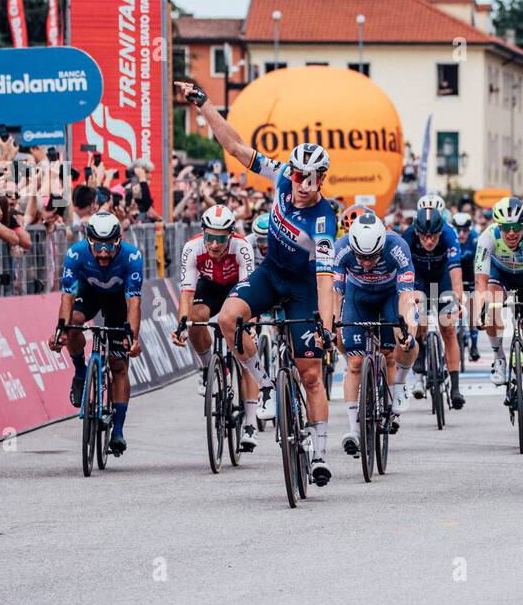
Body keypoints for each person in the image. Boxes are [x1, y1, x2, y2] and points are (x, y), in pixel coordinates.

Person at [177, 80, 338, 487]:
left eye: (311, 178)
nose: (302, 184)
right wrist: (204, 104)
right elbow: (235, 147)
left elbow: (324, 278)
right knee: (227, 318)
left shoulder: (323, 220)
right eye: (299, 175)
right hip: (271, 273)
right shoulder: (282, 175)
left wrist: (326, 324)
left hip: (305, 286)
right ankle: (265, 386)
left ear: (322, 179)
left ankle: (319, 452)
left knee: (311, 373)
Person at [49, 211, 144, 456]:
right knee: (72, 326)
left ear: (119, 241)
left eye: (109, 246)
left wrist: (132, 337)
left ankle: (118, 431)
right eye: (98, 246)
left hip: (117, 300)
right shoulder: (75, 253)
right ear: (89, 240)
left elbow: (134, 303)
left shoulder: (132, 257)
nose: (103, 253)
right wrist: (60, 330)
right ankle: (81, 373)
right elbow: (67, 298)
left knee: (119, 365)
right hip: (87, 294)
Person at [171, 204, 260, 451]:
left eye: (220, 239)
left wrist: (248, 325)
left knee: (244, 348)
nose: (214, 245)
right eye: (209, 238)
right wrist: (181, 325)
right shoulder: (192, 247)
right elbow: (187, 293)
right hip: (208, 288)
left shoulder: (242, 247)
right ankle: (207, 367)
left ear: (230, 235)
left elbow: (249, 291)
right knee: (195, 319)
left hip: (237, 290)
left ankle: (251, 421)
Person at [332, 213, 418, 455]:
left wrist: (406, 330)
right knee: (355, 362)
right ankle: (354, 430)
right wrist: (331, 327)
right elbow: (336, 294)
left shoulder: (397, 247)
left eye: (371, 257)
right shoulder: (342, 249)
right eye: (360, 257)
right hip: (358, 296)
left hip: (390, 295)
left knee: (394, 351)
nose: (366, 263)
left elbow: (406, 295)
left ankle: (398, 386)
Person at [473, 196, 523, 430]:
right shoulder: (488, 237)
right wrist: (480, 308)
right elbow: (481, 281)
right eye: (506, 228)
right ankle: (499, 358)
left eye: (516, 227)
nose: (511, 233)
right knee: (491, 304)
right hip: (500, 274)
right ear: (499, 226)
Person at [404, 206, 467, 409]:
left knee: (448, 329)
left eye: (433, 237)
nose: (429, 241)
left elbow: (456, 272)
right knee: (419, 311)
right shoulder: (407, 237)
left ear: (441, 232)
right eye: (424, 237)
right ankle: (421, 353)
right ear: (417, 233)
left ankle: (455, 388)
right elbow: (403, 273)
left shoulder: (450, 235)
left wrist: (458, 300)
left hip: (442, 279)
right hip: (418, 278)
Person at [452, 210, 481, 361]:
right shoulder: (451, 239)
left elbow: (480, 264)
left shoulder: (475, 239)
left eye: (465, 230)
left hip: (470, 272)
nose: (462, 234)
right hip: (455, 272)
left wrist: (477, 284)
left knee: (472, 309)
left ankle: (474, 345)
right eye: (458, 230)